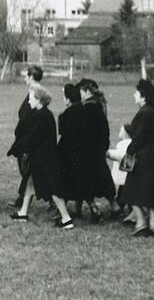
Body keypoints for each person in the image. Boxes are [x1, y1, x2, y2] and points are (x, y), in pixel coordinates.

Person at [10, 88, 75, 229]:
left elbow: (33, 138)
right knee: (30, 183)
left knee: (53, 189)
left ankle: (66, 219)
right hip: (43, 157)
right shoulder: (45, 114)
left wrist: (18, 148)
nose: (28, 101)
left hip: (44, 159)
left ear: (39, 99)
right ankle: (23, 213)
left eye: (31, 98)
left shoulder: (41, 116)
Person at [121, 79, 154, 237]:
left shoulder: (144, 113)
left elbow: (138, 138)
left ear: (143, 96)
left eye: (136, 93)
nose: (134, 95)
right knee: (150, 192)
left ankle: (140, 223)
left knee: (132, 191)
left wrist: (129, 151)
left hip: (143, 157)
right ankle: (153, 225)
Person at [76, 78, 117, 220]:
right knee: (103, 176)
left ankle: (93, 207)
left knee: (85, 179)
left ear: (87, 91)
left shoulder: (87, 107)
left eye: (81, 91)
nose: (79, 94)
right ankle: (114, 206)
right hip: (99, 147)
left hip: (88, 149)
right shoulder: (100, 104)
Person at [8, 65, 43, 208]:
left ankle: (24, 199)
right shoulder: (35, 91)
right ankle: (23, 198)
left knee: (28, 170)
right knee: (28, 171)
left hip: (28, 137)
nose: (24, 78)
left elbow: (28, 116)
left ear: (31, 77)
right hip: (26, 135)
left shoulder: (35, 92)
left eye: (26, 76)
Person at [56, 84, 84, 216]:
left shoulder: (65, 114)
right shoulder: (85, 110)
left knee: (65, 179)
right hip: (82, 150)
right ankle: (79, 208)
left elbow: (63, 133)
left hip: (68, 150)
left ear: (68, 99)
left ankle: (62, 210)